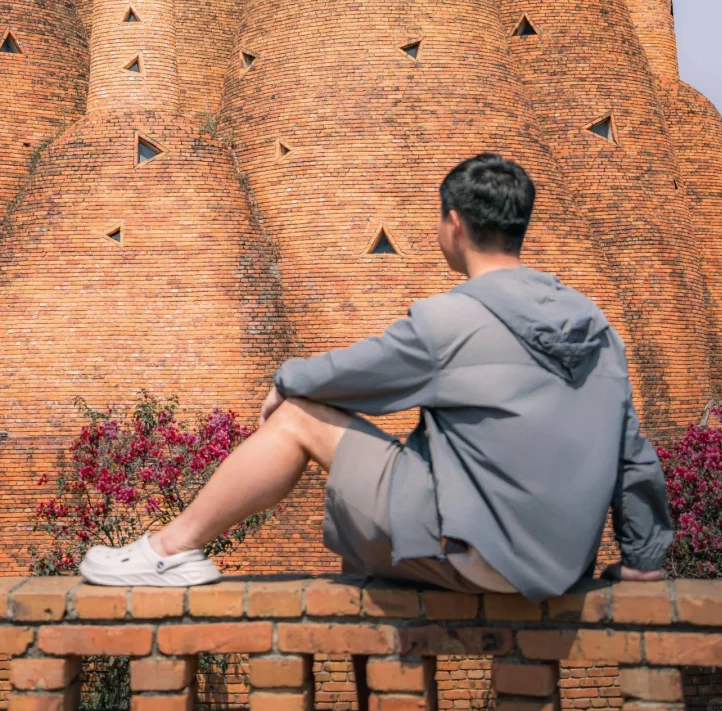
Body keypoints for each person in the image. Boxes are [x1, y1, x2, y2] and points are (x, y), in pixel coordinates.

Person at [79, 153, 673, 601]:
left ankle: (166, 551)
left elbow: (355, 373)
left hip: (478, 558)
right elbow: (634, 455)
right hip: (562, 566)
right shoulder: (596, 328)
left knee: (297, 420)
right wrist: (644, 558)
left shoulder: (453, 320)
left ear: (454, 224)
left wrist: (287, 379)